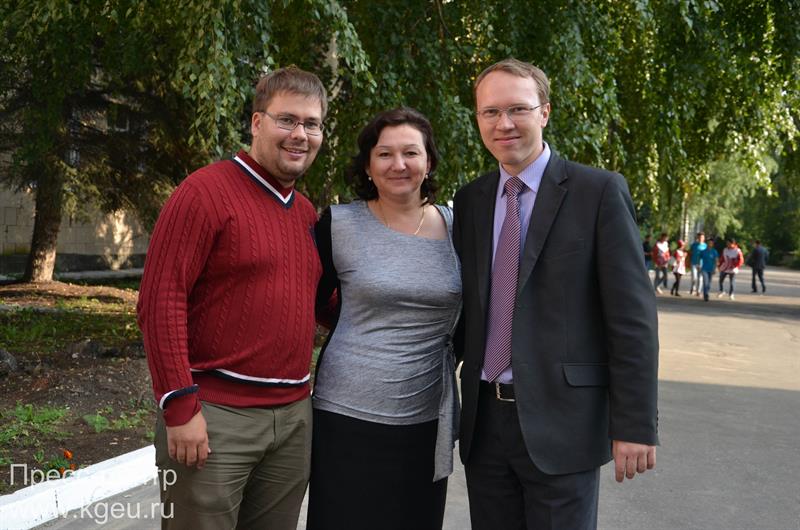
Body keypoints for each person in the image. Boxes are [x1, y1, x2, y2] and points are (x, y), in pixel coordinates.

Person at [452, 58, 659, 530]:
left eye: (517, 109)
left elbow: (632, 318)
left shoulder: (598, 192)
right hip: (485, 426)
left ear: (544, 112)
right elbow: (467, 310)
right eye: (490, 112)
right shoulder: (471, 200)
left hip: (564, 424)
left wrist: (634, 423)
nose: (504, 123)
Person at [137, 66, 327, 530]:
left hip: (293, 420)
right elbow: (160, 300)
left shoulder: (306, 214)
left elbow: (323, 304)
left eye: (312, 124)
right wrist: (180, 406)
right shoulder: (204, 192)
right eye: (287, 120)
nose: (300, 135)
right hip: (215, 417)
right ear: (257, 123)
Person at [307, 108, 462, 530]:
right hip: (346, 413)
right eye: (385, 154)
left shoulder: (458, 227)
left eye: (411, 152)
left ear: (429, 162)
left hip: (426, 414)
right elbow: (310, 304)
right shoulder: (339, 224)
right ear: (367, 165)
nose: (399, 164)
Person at [699, 237, 719, 302]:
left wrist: (715, 268)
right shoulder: (703, 251)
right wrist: (698, 265)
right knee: (705, 282)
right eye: (708, 243)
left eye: (711, 243)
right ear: (707, 243)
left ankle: (706, 292)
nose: (709, 244)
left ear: (712, 244)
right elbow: (699, 259)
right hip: (704, 269)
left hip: (711, 269)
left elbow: (716, 261)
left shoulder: (714, 252)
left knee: (709, 284)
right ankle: (706, 295)